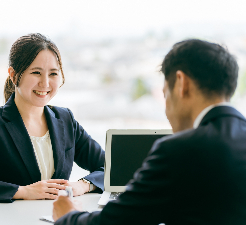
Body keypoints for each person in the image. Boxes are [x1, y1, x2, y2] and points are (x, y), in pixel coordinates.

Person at [52, 39, 246, 224]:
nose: (167, 110)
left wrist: (67, 216)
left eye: (165, 94)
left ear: (181, 83)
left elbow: (115, 223)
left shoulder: (179, 150)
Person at [0, 33, 105, 203]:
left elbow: (113, 168)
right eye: (36, 72)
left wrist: (84, 185)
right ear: (14, 75)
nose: (45, 83)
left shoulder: (66, 120)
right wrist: (22, 191)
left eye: (53, 74)